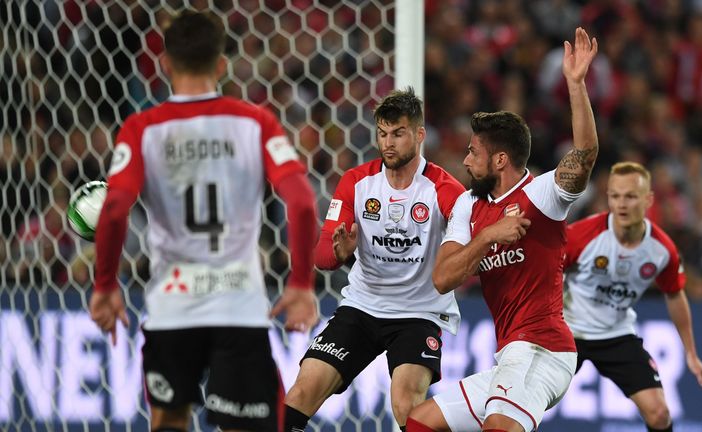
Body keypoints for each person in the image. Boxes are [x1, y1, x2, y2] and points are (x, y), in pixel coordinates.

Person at [89, 10, 319, 432]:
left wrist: (105, 286)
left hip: (172, 308)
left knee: (170, 420)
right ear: (220, 64)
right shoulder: (255, 121)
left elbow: (115, 208)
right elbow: (303, 203)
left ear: (164, 64)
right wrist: (301, 283)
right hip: (238, 306)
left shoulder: (143, 128)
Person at [406, 27, 599, 432]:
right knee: (419, 423)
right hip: (509, 354)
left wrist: (575, 85)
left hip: (543, 348)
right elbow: (443, 278)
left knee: (499, 426)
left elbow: (584, 156)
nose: (465, 159)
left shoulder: (543, 194)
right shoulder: (468, 206)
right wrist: (490, 236)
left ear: (500, 160)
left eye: (474, 152)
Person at [282, 87, 466, 432]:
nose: (388, 143)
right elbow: (322, 256)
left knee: (405, 404)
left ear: (419, 135)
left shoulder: (445, 189)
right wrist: (340, 253)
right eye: (382, 134)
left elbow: (470, 249)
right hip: (362, 307)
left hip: (418, 314)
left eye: (398, 133)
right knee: (303, 390)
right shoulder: (356, 182)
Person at [561, 161, 702, 432]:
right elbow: (544, 274)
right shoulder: (581, 236)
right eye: (615, 195)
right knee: (532, 405)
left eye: (631, 196)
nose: (622, 204)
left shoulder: (661, 250)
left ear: (648, 200)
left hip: (616, 335)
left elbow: (674, 295)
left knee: (659, 415)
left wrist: (691, 354)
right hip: (568, 334)